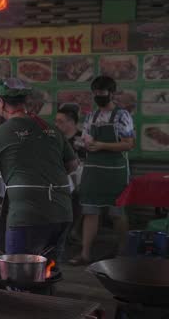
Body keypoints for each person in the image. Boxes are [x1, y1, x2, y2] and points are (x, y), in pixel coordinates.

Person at [0, 78, 79, 261]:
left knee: (19, 274)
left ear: (1, 103)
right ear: (25, 102)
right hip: (62, 211)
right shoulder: (51, 128)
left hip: (26, 215)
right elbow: (72, 165)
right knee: (48, 270)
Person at [70, 76, 135, 265]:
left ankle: (123, 250)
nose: (98, 96)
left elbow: (129, 144)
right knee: (90, 211)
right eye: (96, 93)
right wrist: (82, 144)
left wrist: (101, 145)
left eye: (102, 93)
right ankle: (85, 254)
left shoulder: (123, 116)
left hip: (115, 171)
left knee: (117, 213)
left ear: (112, 93)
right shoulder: (92, 116)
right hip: (93, 170)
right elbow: (86, 139)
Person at [55, 104, 86, 244]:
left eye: (60, 121)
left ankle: (74, 230)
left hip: (81, 178)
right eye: (56, 121)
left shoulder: (83, 139)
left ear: (72, 122)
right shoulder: (55, 139)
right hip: (59, 177)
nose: (56, 124)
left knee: (79, 196)